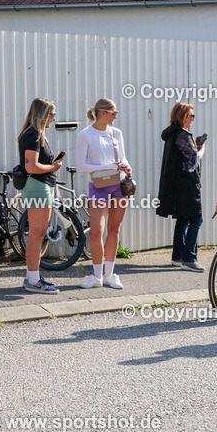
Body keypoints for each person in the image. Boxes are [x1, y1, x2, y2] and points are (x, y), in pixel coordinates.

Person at [75, 98, 132, 289]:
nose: (116, 116)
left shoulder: (117, 133)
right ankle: (96, 276)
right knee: (97, 231)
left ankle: (110, 275)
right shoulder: (86, 134)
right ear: (102, 112)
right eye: (113, 113)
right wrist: (108, 166)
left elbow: (122, 157)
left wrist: (127, 168)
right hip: (99, 186)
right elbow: (80, 166)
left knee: (114, 230)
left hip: (119, 184)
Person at [18, 97, 63, 293]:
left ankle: (32, 277)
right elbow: (31, 166)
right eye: (52, 114)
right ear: (43, 115)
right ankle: (33, 281)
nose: (53, 118)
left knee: (38, 234)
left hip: (43, 186)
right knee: (37, 234)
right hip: (37, 187)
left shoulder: (36, 134)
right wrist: (53, 167)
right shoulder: (33, 135)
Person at [156, 103, 206, 271]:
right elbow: (193, 158)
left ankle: (177, 257)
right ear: (182, 116)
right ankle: (189, 259)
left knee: (183, 220)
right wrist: (202, 150)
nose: (193, 118)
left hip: (176, 184)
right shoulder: (182, 135)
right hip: (187, 185)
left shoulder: (172, 133)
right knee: (197, 219)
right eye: (191, 115)